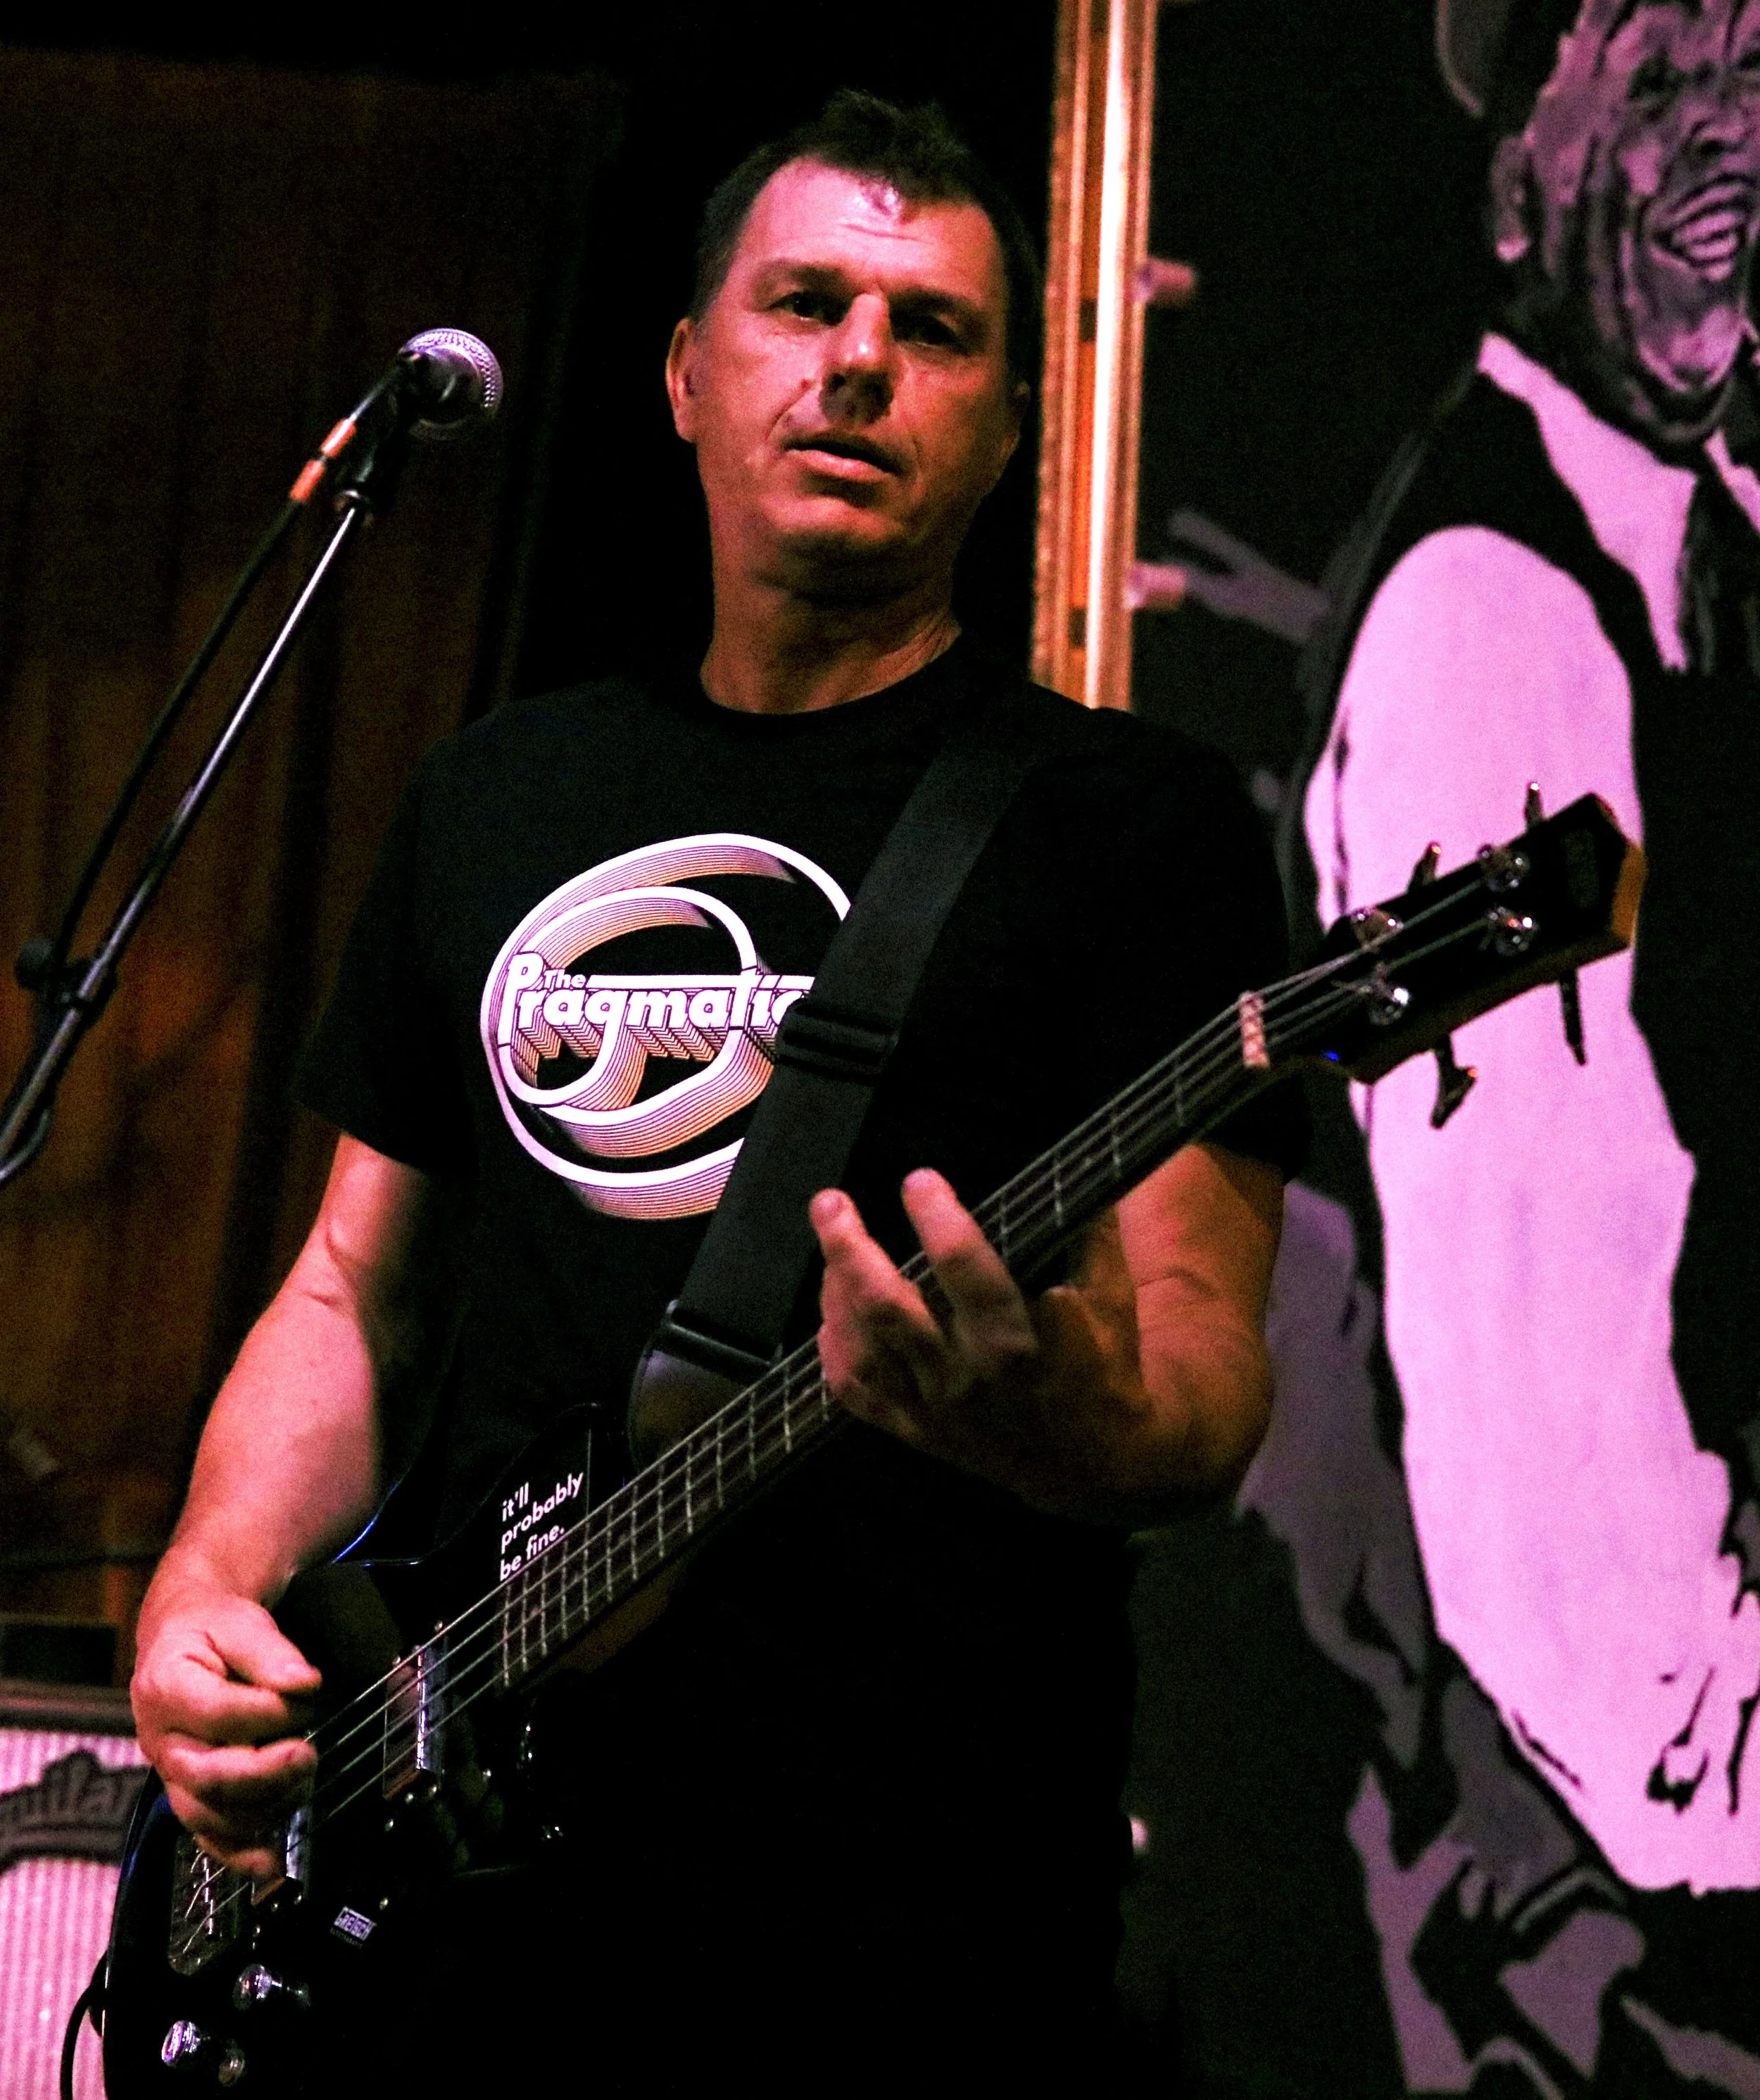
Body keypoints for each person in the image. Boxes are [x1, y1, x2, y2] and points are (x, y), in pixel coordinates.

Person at [130, 92, 1299, 2088]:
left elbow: (1199, 1377)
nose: (859, 361)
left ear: (1011, 423)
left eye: (932, 330)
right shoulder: (499, 788)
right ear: (685, 373)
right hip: (470, 1890)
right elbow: (352, 1289)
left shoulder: (1131, 827)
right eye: (805, 302)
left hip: (902, 1910)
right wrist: (203, 1589)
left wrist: (1048, 1413)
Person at [1291, 0, 1760, 2080]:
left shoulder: (1725, 555)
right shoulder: (1485, 617)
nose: (1734, 152)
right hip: (1639, 1925)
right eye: (1665, 93)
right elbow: (1547, 1452)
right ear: (1516, 184)